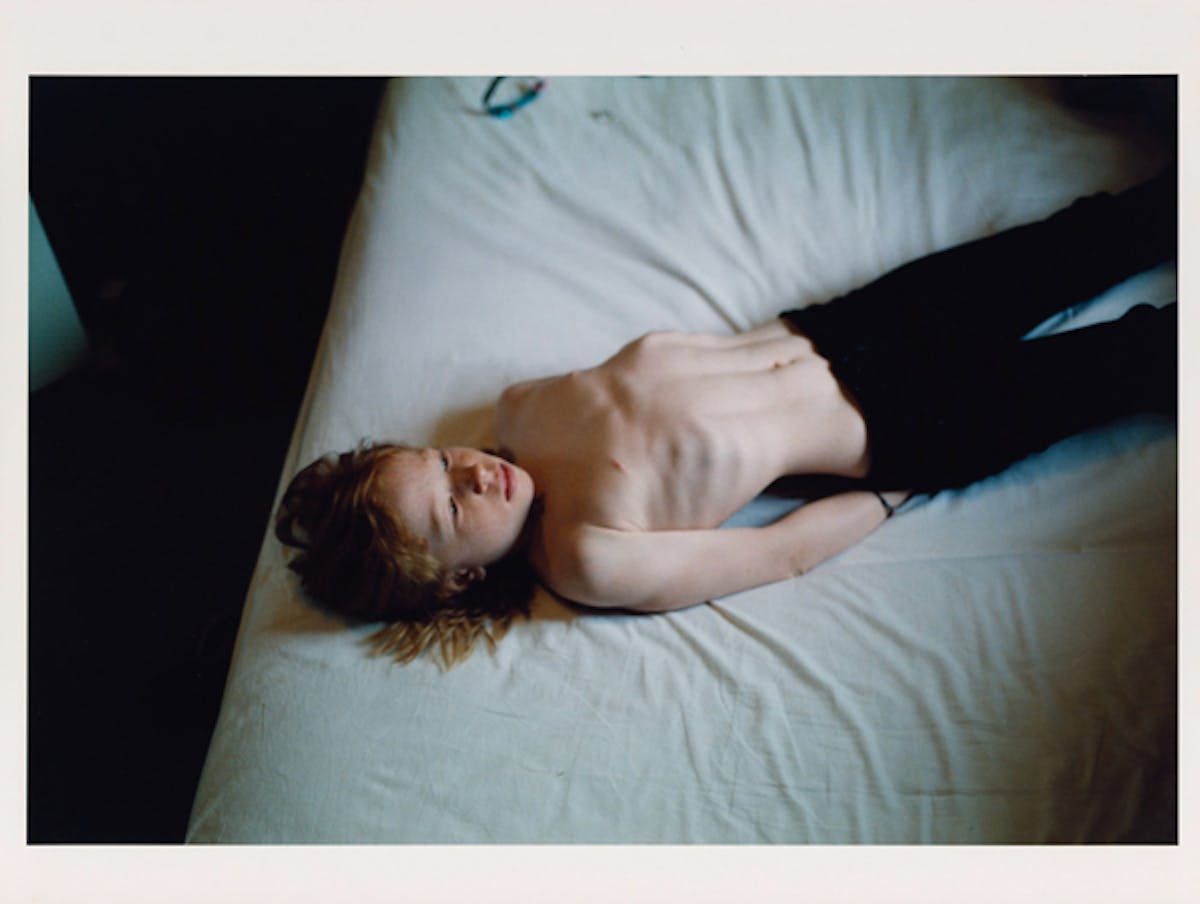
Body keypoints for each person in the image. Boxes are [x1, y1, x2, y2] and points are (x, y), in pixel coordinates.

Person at [275, 169, 1176, 665]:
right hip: (907, 421)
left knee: (1094, 234)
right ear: (461, 580)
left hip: (851, 323)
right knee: (1142, 358)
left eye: (440, 460)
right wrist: (904, 488)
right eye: (451, 508)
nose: (471, 473)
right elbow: (779, 553)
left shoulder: (522, 407)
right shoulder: (583, 553)